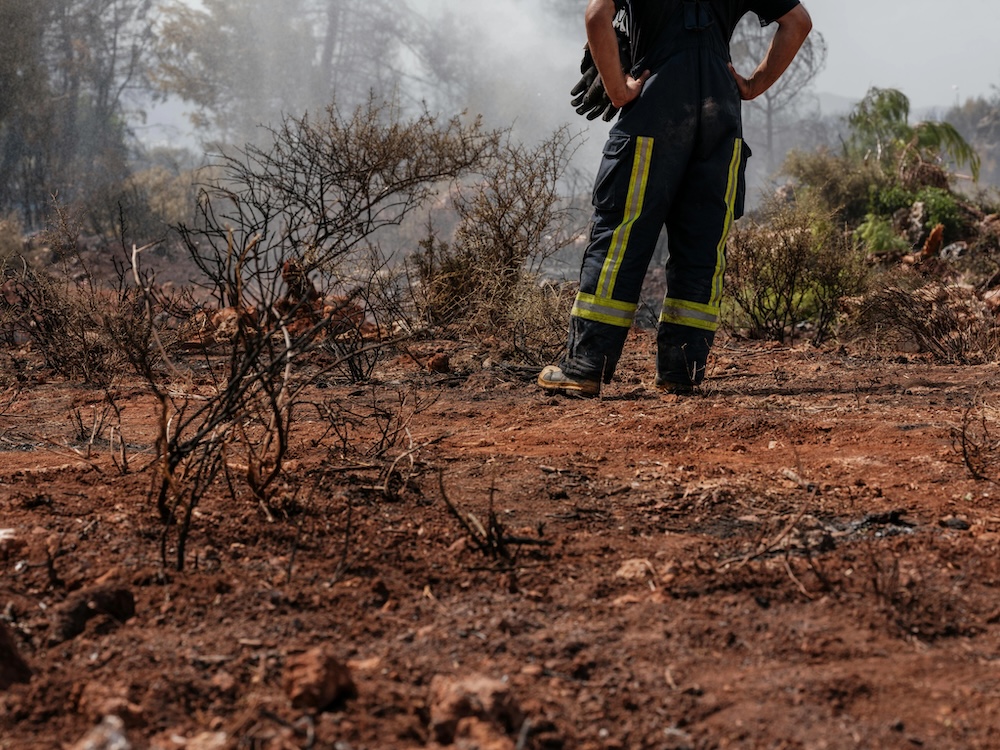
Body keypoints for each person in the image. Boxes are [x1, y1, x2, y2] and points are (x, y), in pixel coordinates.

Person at [538, 0, 812, 396]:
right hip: (720, 115)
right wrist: (752, 86)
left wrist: (617, 87)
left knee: (621, 237)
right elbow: (798, 22)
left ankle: (585, 367)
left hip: (656, 105)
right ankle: (681, 372)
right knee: (702, 246)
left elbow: (597, 14)